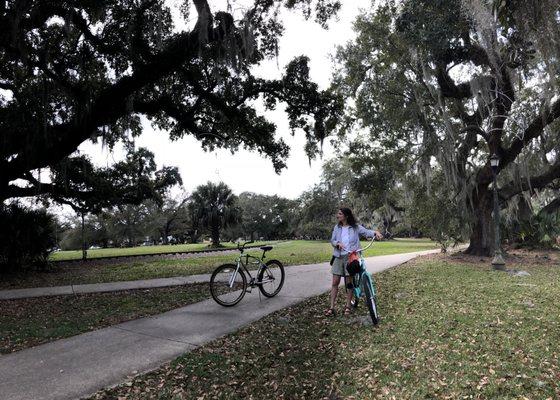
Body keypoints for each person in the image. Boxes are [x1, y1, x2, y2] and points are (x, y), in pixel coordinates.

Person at [325, 207, 382, 316]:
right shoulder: (337, 227)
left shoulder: (355, 227)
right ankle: (332, 308)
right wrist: (337, 243)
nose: (338, 215)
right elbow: (332, 240)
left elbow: (366, 232)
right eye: (338, 214)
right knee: (335, 282)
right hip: (338, 256)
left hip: (350, 256)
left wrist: (376, 233)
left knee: (349, 283)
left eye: (340, 214)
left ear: (346, 216)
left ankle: (348, 306)